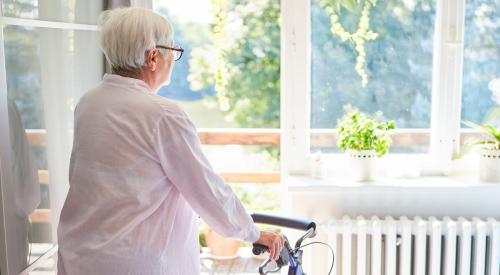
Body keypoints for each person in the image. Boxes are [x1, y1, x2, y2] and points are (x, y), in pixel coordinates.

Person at [56, 7, 283, 275]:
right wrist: (253, 233)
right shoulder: (162, 115)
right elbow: (206, 189)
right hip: (134, 263)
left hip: (80, 257)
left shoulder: (89, 103)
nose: (174, 58)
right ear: (153, 57)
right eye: (172, 50)